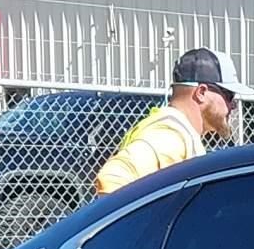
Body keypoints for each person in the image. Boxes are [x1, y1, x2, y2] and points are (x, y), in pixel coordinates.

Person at [93, 48, 241, 196]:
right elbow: (112, 178)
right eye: (229, 95)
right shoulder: (171, 136)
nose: (233, 105)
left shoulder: (179, 131)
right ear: (201, 93)